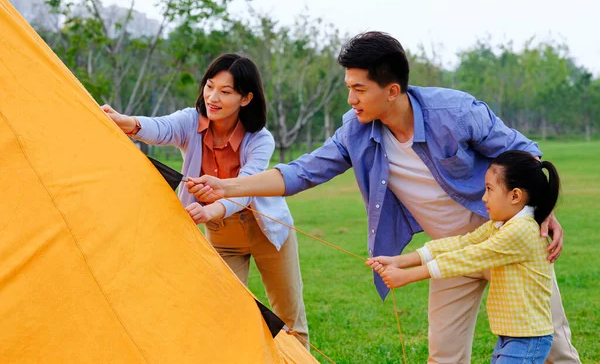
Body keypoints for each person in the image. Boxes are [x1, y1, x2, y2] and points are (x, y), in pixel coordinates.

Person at [187, 32, 580, 363]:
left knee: (553, 347)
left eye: (359, 89)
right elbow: (301, 172)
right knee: (443, 357)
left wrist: (540, 209)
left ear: (392, 90)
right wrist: (229, 186)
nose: (351, 99)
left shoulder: (454, 111)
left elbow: (523, 150)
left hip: (501, 243)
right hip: (445, 251)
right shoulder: (355, 132)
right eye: (348, 88)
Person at [101, 53, 309, 344]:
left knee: (289, 318)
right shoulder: (190, 121)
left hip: (268, 231)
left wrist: (210, 211)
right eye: (209, 86)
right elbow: (161, 128)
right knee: (222, 312)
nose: (212, 97)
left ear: (246, 98)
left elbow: (246, 187)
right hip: (222, 236)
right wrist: (128, 123)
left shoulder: (260, 138)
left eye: (225, 92)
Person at [367, 150, 559, 363]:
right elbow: (462, 242)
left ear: (515, 196)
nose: (484, 198)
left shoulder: (521, 230)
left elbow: (469, 257)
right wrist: (399, 261)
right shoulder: (502, 225)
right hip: (512, 336)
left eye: (489, 189)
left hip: (528, 338)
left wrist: (408, 276)